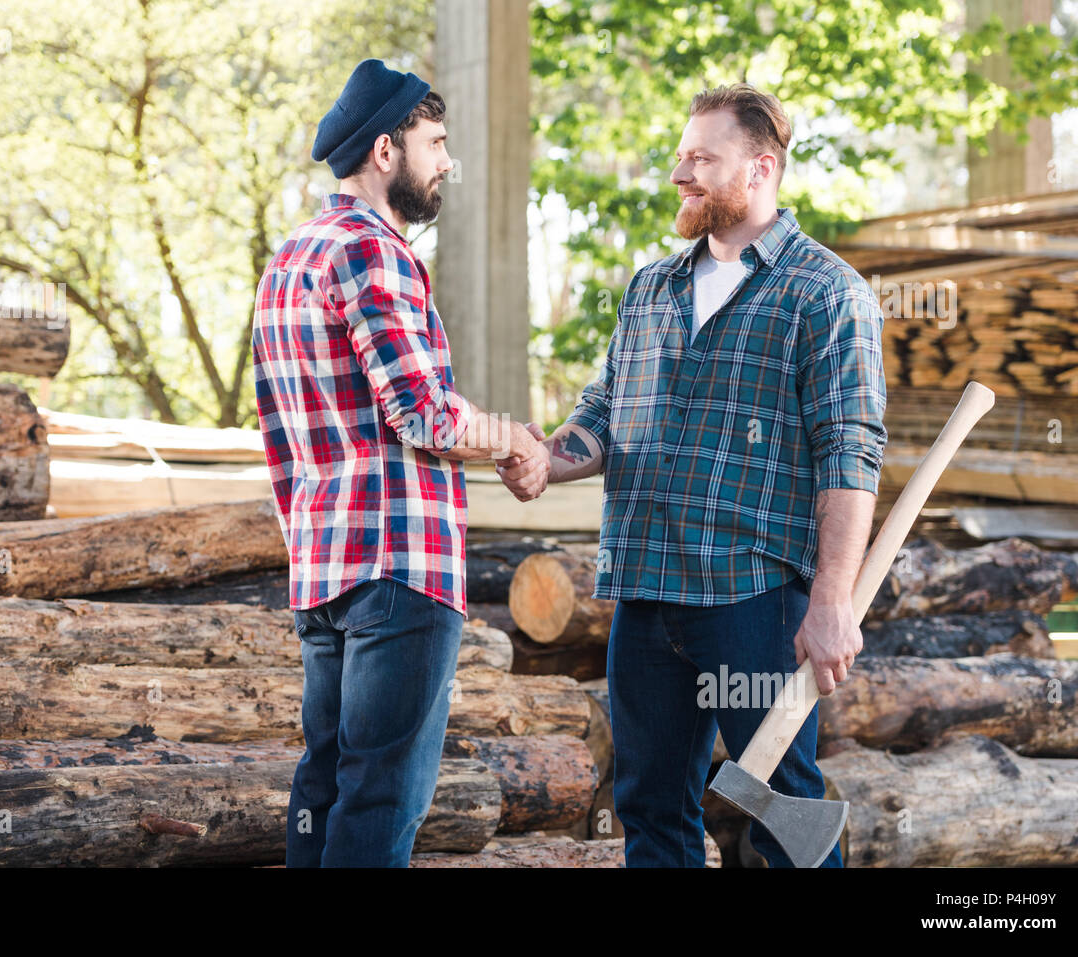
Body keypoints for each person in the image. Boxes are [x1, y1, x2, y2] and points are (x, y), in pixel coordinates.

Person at [500, 83, 887, 867]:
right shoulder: (651, 290)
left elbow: (851, 454)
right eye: (681, 155)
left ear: (761, 168)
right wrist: (549, 457)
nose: (681, 173)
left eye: (702, 158)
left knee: (784, 813)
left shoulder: (826, 291)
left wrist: (832, 601)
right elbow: (603, 418)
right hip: (645, 593)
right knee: (648, 808)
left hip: (752, 600)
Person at [251, 58, 550, 868]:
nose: (447, 161)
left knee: (324, 788)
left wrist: (307, 548)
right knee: (383, 800)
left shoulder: (288, 260)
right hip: (398, 568)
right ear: (387, 151)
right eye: (436, 142)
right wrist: (516, 438)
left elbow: (281, 439)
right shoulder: (372, 253)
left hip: (324, 571)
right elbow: (422, 413)